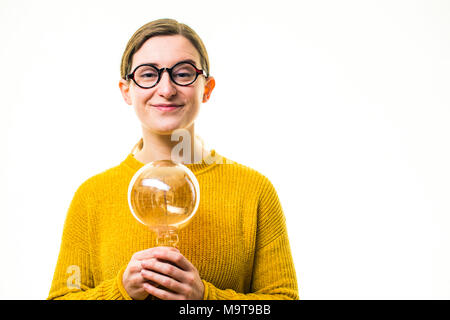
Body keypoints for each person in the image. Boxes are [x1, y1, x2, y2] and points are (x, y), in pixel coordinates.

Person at [47, 18, 299, 300]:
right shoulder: (91, 197)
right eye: (147, 74)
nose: (166, 89)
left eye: (182, 73)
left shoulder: (254, 191)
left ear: (207, 88)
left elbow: (283, 298)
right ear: (126, 90)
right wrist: (120, 291)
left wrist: (205, 298)